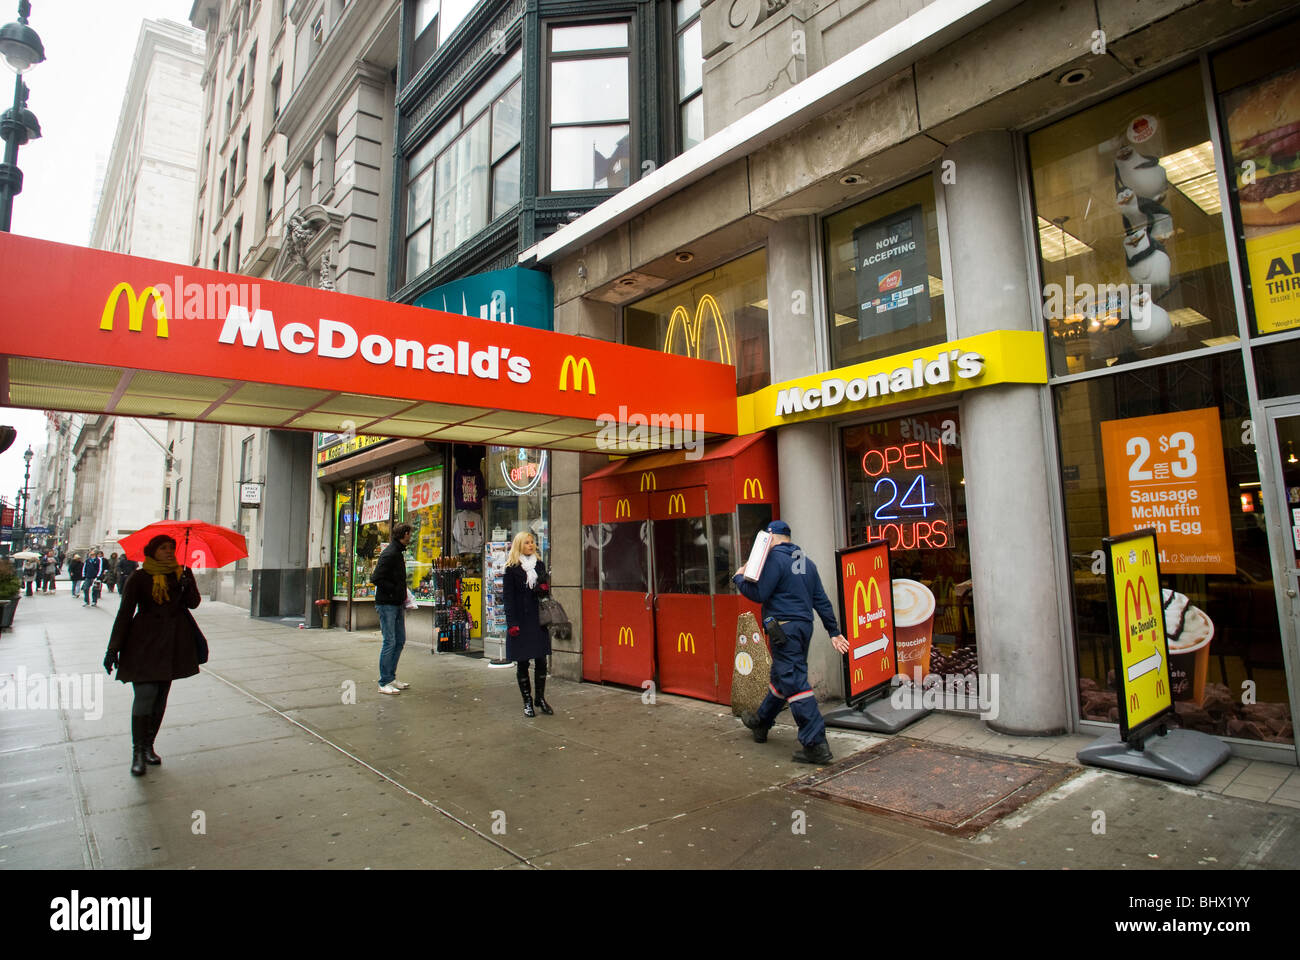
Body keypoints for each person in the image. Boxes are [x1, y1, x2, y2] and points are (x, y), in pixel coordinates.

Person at [733, 521, 849, 765]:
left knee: (794, 682)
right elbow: (821, 600)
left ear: (771, 537)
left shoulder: (775, 559)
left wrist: (740, 578)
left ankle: (815, 743)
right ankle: (761, 722)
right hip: (803, 628)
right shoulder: (807, 562)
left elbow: (759, 594)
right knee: (781, 678)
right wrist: (833, 631)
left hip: (783, 628)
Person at [102, 534, 206, 777]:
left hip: (173, 642)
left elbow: (193, 604)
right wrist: (113, 648)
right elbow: (125, 614)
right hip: (144, 643)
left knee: (160, 695)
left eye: (172, 547)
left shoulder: (181, 573)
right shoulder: (140, 577)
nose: (169, 552)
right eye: (163, 548)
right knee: (145, 694)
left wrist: (186, 582)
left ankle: (149, 745)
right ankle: (137, 751)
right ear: (152, 551)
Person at [503, 531, 552, 717]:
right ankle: (527, 701)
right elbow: (507, 598)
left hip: (538, 618)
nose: (531, 545)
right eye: (526, 543)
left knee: (541, 660)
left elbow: (544, 592)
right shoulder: (511, 568)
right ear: (519, 546)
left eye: (532, 542)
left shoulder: (539, 565)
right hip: (520, 621)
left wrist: (543, 587)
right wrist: (511, 623)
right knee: (522, 662)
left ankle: (540, 698)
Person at [371, 523, 412, 696]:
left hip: (395, 603)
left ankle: (391, 676)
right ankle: (384, 681)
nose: (411, 537)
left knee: (399, 640)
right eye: (409, 534)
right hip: (387, 604)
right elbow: (376, 578)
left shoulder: (397, 552)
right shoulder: (390, 554)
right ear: (404, 534)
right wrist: (394, 590)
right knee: (390, 641)